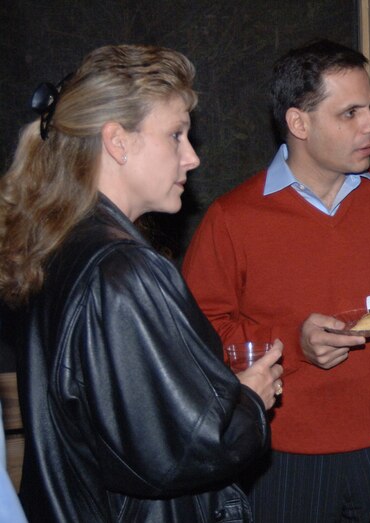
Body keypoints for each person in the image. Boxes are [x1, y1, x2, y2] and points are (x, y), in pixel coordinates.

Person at [0, 45, 283, 522]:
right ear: (117, 141)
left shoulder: (56, 241)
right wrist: (250, 402)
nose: (192, 157)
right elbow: (177, 452)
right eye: (176, 135)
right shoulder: (122, 269)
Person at [182, 39, 370, 522]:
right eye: (350, 113)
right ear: (299, 123)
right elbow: (196, 340)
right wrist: (293, 345)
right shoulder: (232, 219)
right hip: (282, 458)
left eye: (369, 108)